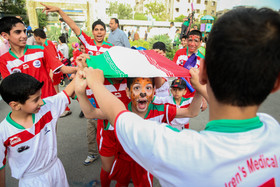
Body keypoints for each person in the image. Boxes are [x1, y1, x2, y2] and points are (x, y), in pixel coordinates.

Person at [77, 7, 280, 186]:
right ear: (276, 84)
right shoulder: (273, 130)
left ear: (202, 71)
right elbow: (191, 112)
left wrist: (94, 83)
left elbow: (118, 113)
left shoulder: (178, 148)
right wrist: (201, 90)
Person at [75, 68, 203, 186]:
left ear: (154, 92)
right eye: (137, 88)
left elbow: (191, 112)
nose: (143, 93)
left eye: (148, 88)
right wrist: (80, 93)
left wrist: (199, 90)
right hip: (123, 160)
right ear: (128, 92)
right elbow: (90, 113)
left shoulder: (160, 110)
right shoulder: (120, 111)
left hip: (144, 163)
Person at [41, 5, 119, 182]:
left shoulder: (111, 48)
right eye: (96, 29)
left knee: (112, 126)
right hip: (90, 95)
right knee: (92, 125)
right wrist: (59, 11)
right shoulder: (88, 43)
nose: (99, 32)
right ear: (92, 32)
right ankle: (93, 153)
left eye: (102, 30)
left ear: (105, 32)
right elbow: (73, 26)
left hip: (107, 93)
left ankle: (118, 161)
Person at [0, 72, 75, 187]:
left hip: (56, 169)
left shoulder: (47, 107)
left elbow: (67, 92)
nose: (41, 102)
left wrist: (82, 69)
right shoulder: (4, 132)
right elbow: (1, 167)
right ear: (15, 105)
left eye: (40, 96)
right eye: (35, 100)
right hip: (31, 181)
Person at [0, 16, 77, 100]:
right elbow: (11, 89)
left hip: (50, 102)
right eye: (18, 32)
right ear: (5, 35)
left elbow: (62, 68)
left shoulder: (40, 50)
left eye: (24, 31)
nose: (24, 35)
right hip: (29, 108)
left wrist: (80, 69)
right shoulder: (4, 61)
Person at [33, 28, 72, 117]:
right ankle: (63, 109)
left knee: (56, 92)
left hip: (53, 72)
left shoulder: (47, 44)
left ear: (38, 37)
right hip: (53, 72)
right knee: (54, 92)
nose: (34, 39)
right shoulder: (48, 43)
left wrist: (51, 74)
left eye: (35, 37)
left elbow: (53, 61)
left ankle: (65, 109)